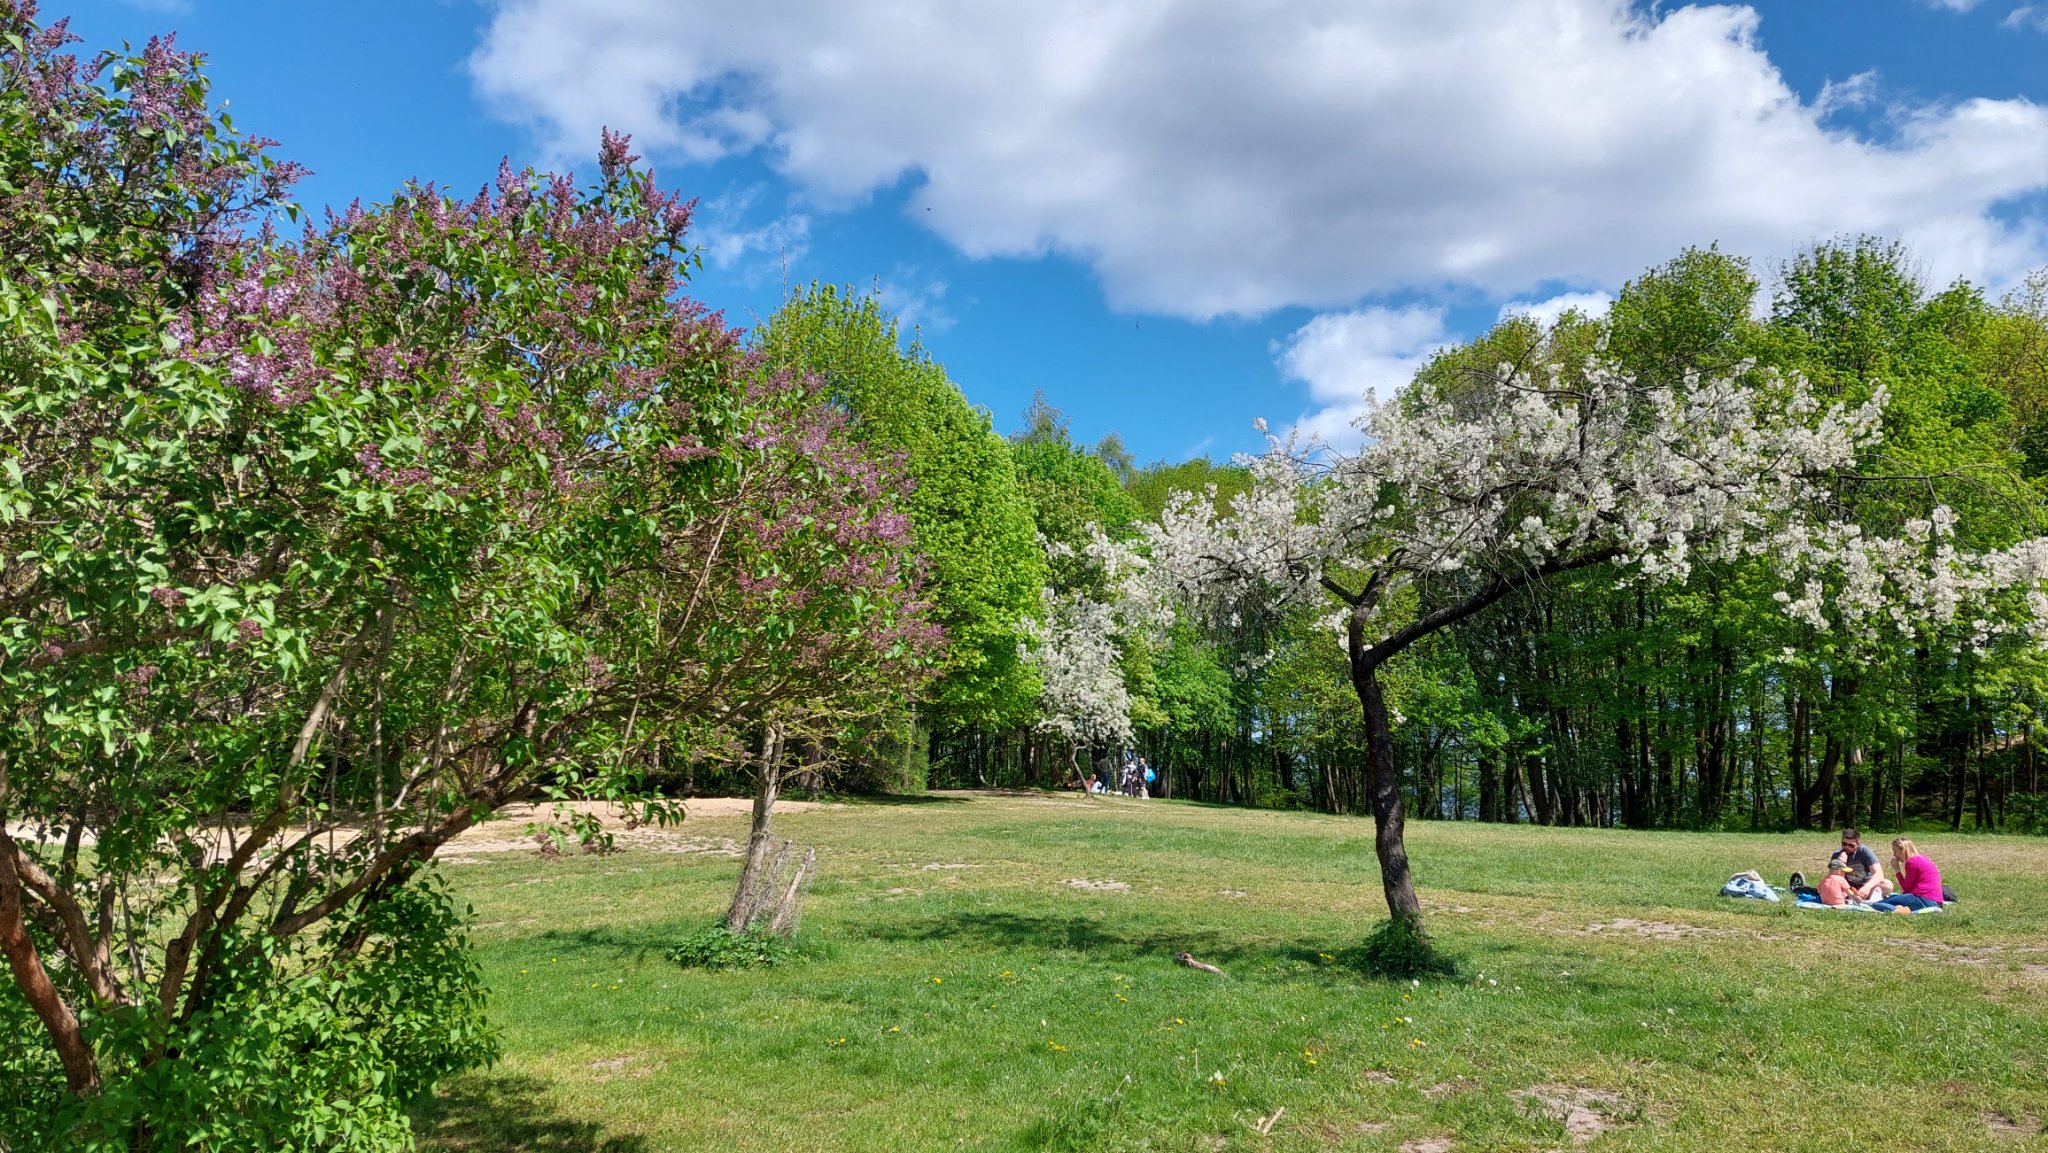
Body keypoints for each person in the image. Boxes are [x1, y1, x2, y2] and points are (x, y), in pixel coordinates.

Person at [1870, 838, 1943, 914]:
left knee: (1877, 904)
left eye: (1895, 851)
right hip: (1936, 901)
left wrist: (1897, 870)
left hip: (1922, 899)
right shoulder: (1923, 858)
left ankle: (1901, 911)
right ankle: (1903, 908)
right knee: (1892, 897)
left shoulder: (1911, 862)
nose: (1894, 855)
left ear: (1902, 850)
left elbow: (1906, 889)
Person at [1829, 827, 1889, 902]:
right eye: (1844, 844)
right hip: (1847, 887)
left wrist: (1867, 887)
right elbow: (1832, 877)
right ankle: (1856, 897)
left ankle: (1870, 898)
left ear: (1858, 844)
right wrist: (1841, 862)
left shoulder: (1865, 851)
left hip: (1865, 885)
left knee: (1887, 884)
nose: (1847, 847)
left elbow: (1879, 874)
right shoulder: (1837, 854)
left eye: (1851, 845)